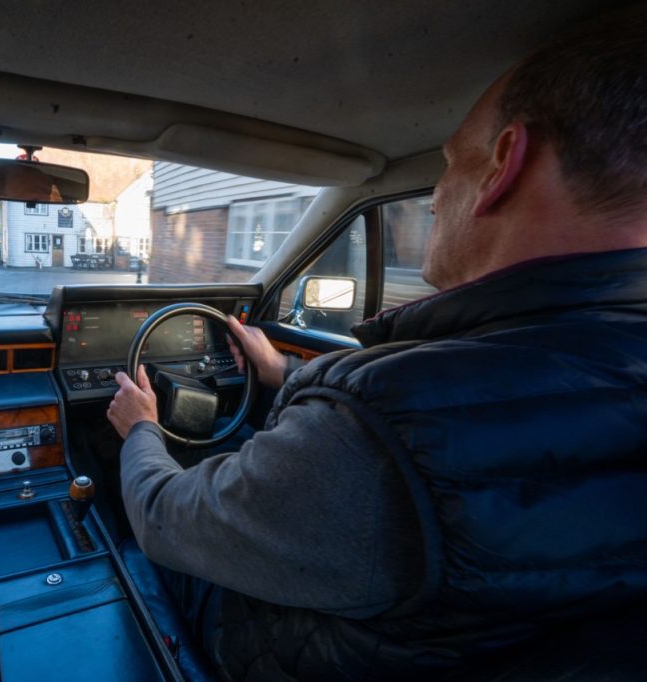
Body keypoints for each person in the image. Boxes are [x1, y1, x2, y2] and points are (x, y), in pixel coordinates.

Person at [107, 7, 647, 680]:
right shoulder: (582, 355)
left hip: (277, 648)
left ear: (505, 162)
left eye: (450, 164)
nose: (434, 198)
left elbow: (167, 516)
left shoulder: (374, 435)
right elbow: (480, 398)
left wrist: (141, 431)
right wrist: (283, 372)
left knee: (132, 550)